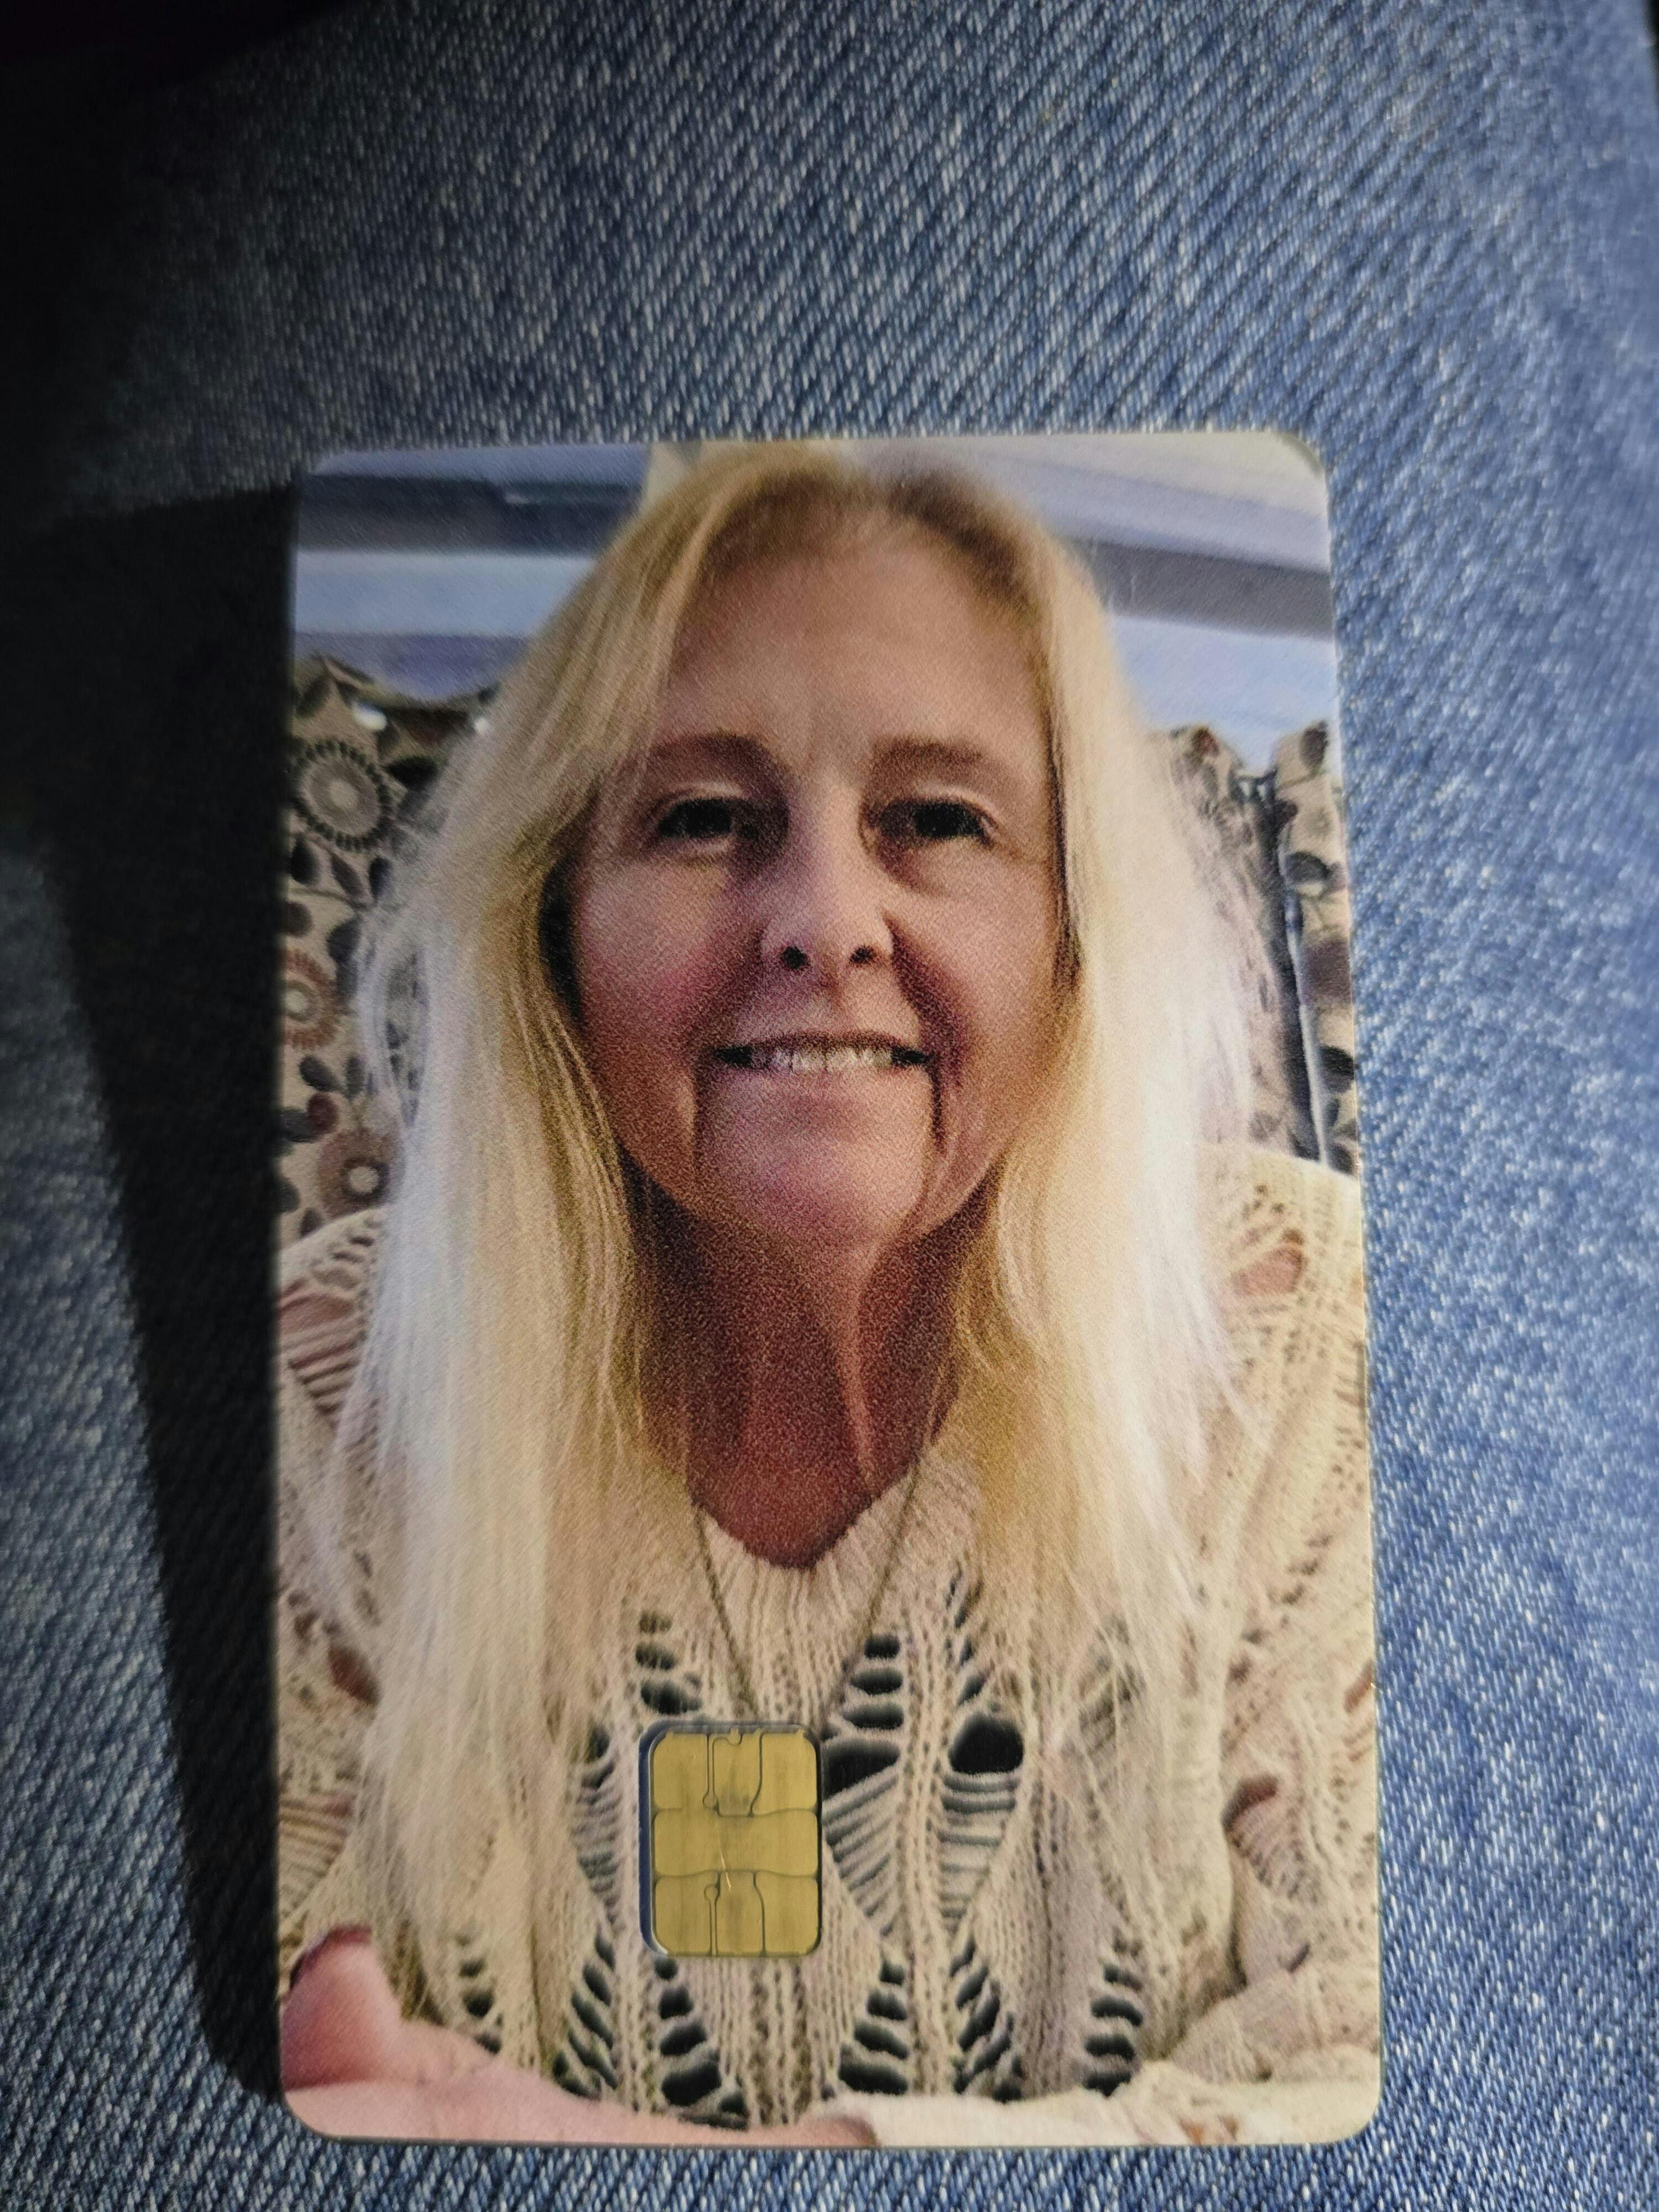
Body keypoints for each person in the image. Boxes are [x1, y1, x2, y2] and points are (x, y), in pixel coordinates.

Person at [276, 444, 1379, 2147]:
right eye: (703, 818)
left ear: (1074, 931)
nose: (823, 921)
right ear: (552, 925)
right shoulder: (316, 1389)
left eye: (937, 820)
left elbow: (1400, 2077)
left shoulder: (1308, 1335)